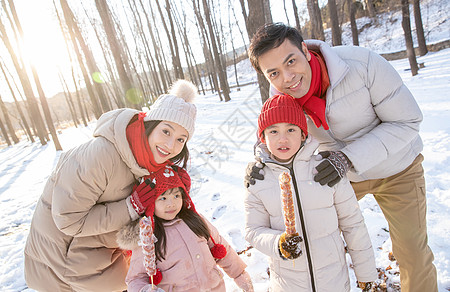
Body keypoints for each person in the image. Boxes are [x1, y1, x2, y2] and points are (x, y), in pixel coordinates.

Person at [244, 22, 437, 292]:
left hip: (397, 168)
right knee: (311, 233)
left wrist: (347, 158)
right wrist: (258, 162)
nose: (287, 78)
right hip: (337, 176)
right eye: (274, 73)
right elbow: (271, 135)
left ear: (304, 49)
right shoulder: (282, 96)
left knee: (412, 252)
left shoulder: (362, 64)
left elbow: (407, 121)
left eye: (291, 61)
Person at [24, 80, 198, 292]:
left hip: (103, 263)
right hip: (65, 267)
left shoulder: (154, 163)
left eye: (181, 139)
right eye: (166, 132)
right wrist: (130, 207)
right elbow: (68, 220)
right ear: (150, 124)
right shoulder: (100, 156)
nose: (171, 146)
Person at [244, 94, 376, 291]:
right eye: (273, 131)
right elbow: (253, 230)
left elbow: (353, 222)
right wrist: (277, 244)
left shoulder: (326, 170)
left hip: (333, 281)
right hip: (288, 284)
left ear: (303, 134)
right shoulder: (258, 180)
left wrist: (365, 271)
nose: (283, 138)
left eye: (291, 129)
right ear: (262, 137)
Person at [117, 165, 254, 292]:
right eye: (163, 198)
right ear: (151, 203)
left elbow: (222, 248)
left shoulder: (195, 220)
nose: (171, 203)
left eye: (176, 196)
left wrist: (240, 275)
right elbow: (135, 278)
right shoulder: (148, 236)